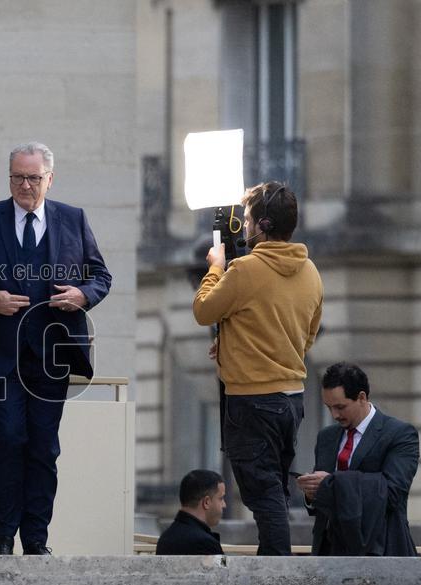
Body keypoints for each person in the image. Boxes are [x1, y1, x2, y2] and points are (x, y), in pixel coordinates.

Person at [0, 141, 112, 556]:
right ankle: (3, 536)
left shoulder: (73, 220)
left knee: (43, 446)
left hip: (51, 355)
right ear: (9, 178)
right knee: (6, 437)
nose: (25, 185)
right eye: (17, 177)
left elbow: (101, 276)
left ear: (49, 179)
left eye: (33, 178)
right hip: (0, 356)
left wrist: (82, 294)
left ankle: (36, 541)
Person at [193, 181, 323, 555]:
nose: (244, 226)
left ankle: (275, 572)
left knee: (264, 495)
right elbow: (307, 336)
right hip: (291, 399)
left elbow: (204, 310)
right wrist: (239, 344)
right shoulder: (311, 272)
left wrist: (216, 268)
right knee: (274, 489)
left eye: (249, 219)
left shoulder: (246, 270)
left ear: (263, 224)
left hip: (251, 401)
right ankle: (273, 562)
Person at [297, 363, 419, 556]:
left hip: (380, 549)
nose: (334, 415)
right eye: (329, 407)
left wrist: (333, 484)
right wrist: (312, 494)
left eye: (340, 407)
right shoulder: (326, 437)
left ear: (362, 397)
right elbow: (323, 499)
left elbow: (393, 492)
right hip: (329, 550)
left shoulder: (399, 434)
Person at [156, 470, 226, 555]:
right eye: (221, 498)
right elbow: (223, 567)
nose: (224, 505)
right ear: (206, 502)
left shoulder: (164, 539)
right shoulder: (207, 543)